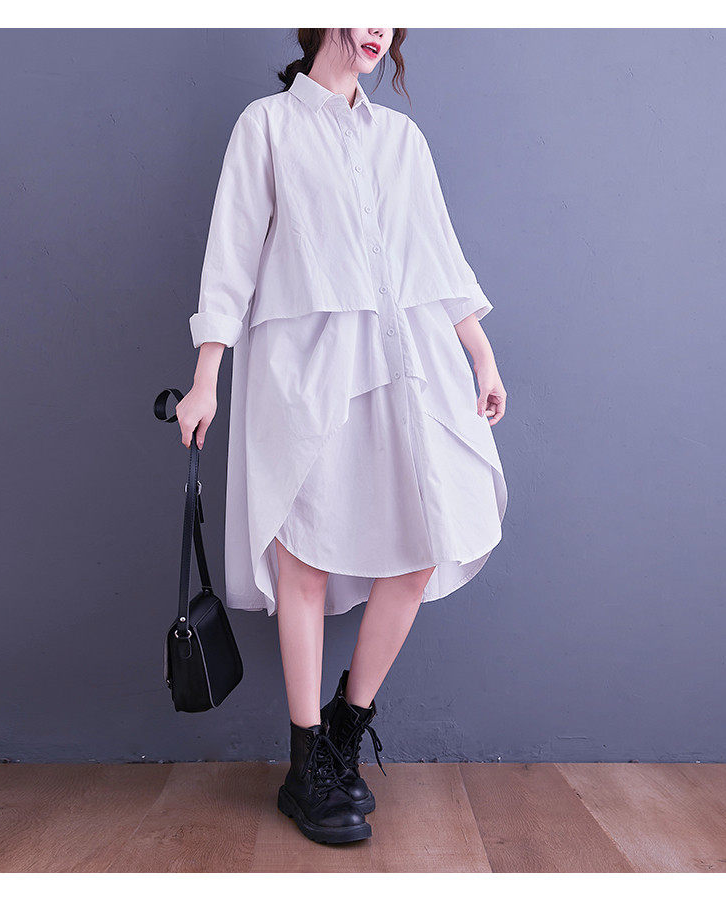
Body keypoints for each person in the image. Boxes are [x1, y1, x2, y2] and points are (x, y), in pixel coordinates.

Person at [176, 28, 508, 845]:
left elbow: (437, 257)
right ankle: (305, 768)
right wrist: (206, 376)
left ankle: (343, 733)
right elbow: (230, 259)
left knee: (422, 543)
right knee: (305, 558)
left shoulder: (402, 139)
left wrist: (482, 357)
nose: (379, 28)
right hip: (302, 370)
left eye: (392, 17)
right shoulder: (266, 126)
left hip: (401, 365)